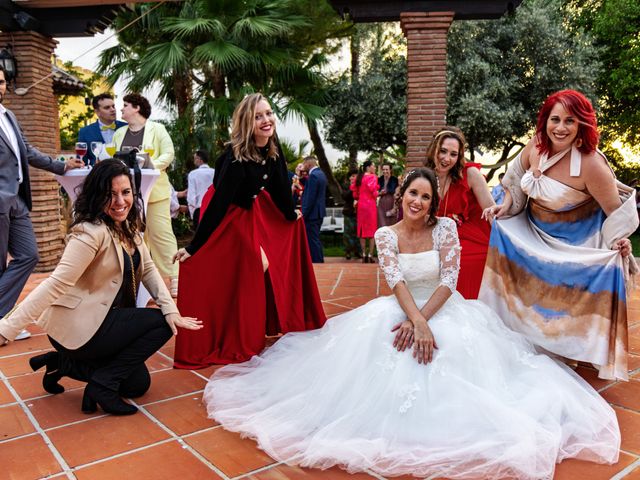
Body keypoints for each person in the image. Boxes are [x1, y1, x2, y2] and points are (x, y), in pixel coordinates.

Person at [202, 168, 620, 480]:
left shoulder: (447, 230)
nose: (417, 202)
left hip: (445, 307)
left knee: (457, 357)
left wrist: (425, 321)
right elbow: (397, 281)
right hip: (401, 309)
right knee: (383, 353)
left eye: (425, 196)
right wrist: (416, 321)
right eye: (412, 194)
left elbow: (450, 281)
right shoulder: (386, 236)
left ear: (432, 202)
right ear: (401, 196)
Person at [0, 160, 202, 415]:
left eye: (125, 192)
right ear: (97, 196)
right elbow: (54, 285)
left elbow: (149, 269)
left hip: (106, 319)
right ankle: (101, 385)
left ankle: (60, 364)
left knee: (137, 384)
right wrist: (6, 329)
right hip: (80, 325)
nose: (120, 201)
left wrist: (171, 307)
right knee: (161, 323)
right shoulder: (89, 232)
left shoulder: (129, 225)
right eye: (110, 194)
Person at [481, 89, 637, 381]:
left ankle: (567, 346)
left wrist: (620, 241)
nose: (561, 127)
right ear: (545, 121)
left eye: (570, 120)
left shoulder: (592, 164)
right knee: (500, 234)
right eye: (555, 119)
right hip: (534, 230)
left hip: (575, 244)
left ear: (581, 125)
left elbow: (616, 213)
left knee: (567, 288)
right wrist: (504, 207)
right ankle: (520, 334)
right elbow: (514, 184)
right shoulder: (535, 147)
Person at [173, 93, 326, 368]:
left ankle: (257, 324)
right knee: (256, 265)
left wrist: (292, 214)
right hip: (229, 216)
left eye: (268, 113)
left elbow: (280, 189)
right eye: (258, 116)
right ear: (247, 122)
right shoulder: (234, 158)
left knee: (259, 267)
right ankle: (239, 333)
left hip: (252, 212)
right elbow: (218, 205)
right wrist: (194, 246)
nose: (266, 120)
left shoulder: (272, 149)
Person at [0, 65, 85, 341]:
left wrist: (61, 165)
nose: (0, 86)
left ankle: (2, 320)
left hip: (18, 200)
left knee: (29, 256)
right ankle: (4, 323)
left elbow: (27, 151)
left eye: (1, 81)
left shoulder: (8, 115)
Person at [113, 93, 179, 297]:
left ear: (137, 108)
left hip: (155, 192)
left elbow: (168, 154)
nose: (121, 109)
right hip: (126, 195)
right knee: (131, 236)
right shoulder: (119, 133)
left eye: (125, 105)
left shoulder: (157, 129)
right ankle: (138, 281)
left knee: (161, 234)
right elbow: (112, 157)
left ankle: (175, 278)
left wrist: (148, 166)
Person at [424, 126, 494, 299]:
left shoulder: (471, 174)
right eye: (443, 151)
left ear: (460, 156)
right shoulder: (424, 177)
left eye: (453, 154)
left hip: (471, 237)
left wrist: (508, 244)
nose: (447, 159)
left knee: (461, 262)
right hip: (435, 237)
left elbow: (492, 211)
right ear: (434, 149)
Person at [77, 93, 127, 166]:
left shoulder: (126, 127)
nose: (112, 110)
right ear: (97, 112)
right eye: (107, 107)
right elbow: (81, 161)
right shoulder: (85, 132)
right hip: (98, 174)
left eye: (113, 106)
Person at [351, 160, 379, 263]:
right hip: (370, 206)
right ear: (368, 167)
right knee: (372, 231)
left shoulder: (359, 177)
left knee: (362, 230)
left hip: (361, 206)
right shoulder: (373, 177)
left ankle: (363, 255)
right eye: (374, 166)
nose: (375, 168)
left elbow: (355, 193)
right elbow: (374, 192)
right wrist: (379, 193)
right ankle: (370, 255)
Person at [301, 155, 327, 263]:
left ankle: (317, 262)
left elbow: (310, 198)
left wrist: (304, 213)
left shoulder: (313, 176)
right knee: (315, 238)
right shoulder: (321, 174)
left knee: (312, 239)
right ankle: (319, 260)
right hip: (318, 213)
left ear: (308, 163)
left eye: (304, 164)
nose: (303, 166)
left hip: (312, 214)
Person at [187, 149, 214, 230]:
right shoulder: (215, 172)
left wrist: (192, 213)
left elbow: (191, 196)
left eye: (195, 158)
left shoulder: (193, 174)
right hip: (213, 208)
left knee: (199, 238)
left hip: (199, 209)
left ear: (200, 159)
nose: (194, 161)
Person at [341, 170, 361, 260]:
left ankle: (357, 251)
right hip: (348, 212)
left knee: (357, 233)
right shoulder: (346, 186)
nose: (352, 178)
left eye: (354, 176)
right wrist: (352, 188)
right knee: (348, 233)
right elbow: (344, 196)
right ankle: (348, 252)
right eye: (351, 176)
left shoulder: (360, 186)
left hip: (359, 213)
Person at [377, 163, 399, 227]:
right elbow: (375, 193)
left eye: (387, 169)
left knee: (391, 225)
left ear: (390, 170)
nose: (385, 171)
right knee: (382, 224)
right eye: (383, 169)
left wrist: (394, 208)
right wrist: (380, 193)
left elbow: (397, 194)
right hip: (381, 204)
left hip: (391, 203)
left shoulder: (395, 180)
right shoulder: (379, 179)